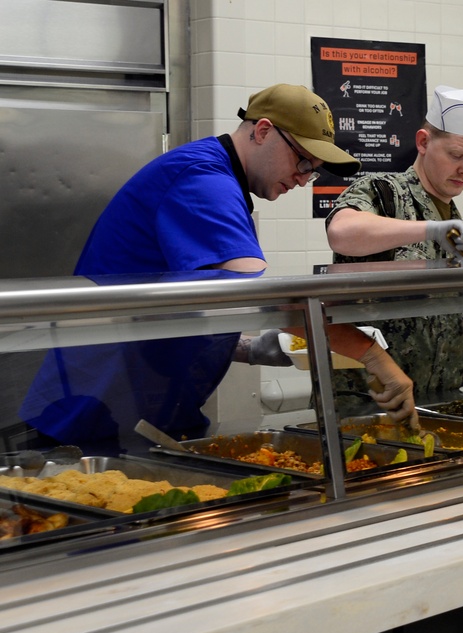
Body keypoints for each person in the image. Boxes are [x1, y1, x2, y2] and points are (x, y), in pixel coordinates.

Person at [19, 83, 416, 449]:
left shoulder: (217, 177)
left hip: (143, 410)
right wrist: (373, 356)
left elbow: (190, 300)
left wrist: (244, 348)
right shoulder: (203, 179)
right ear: (262, 131)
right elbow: (257, 299)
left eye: (313, 170)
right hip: (96, 416)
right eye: (301, 160)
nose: (302, 178)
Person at [325, 85, 463, 413]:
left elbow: (457, 335)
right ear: (423, 142)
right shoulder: (383, 192)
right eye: (456, 155)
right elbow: (341, 232)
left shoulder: (455, 223)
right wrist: (431, 230)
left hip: (435, 405)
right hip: (367, 407)